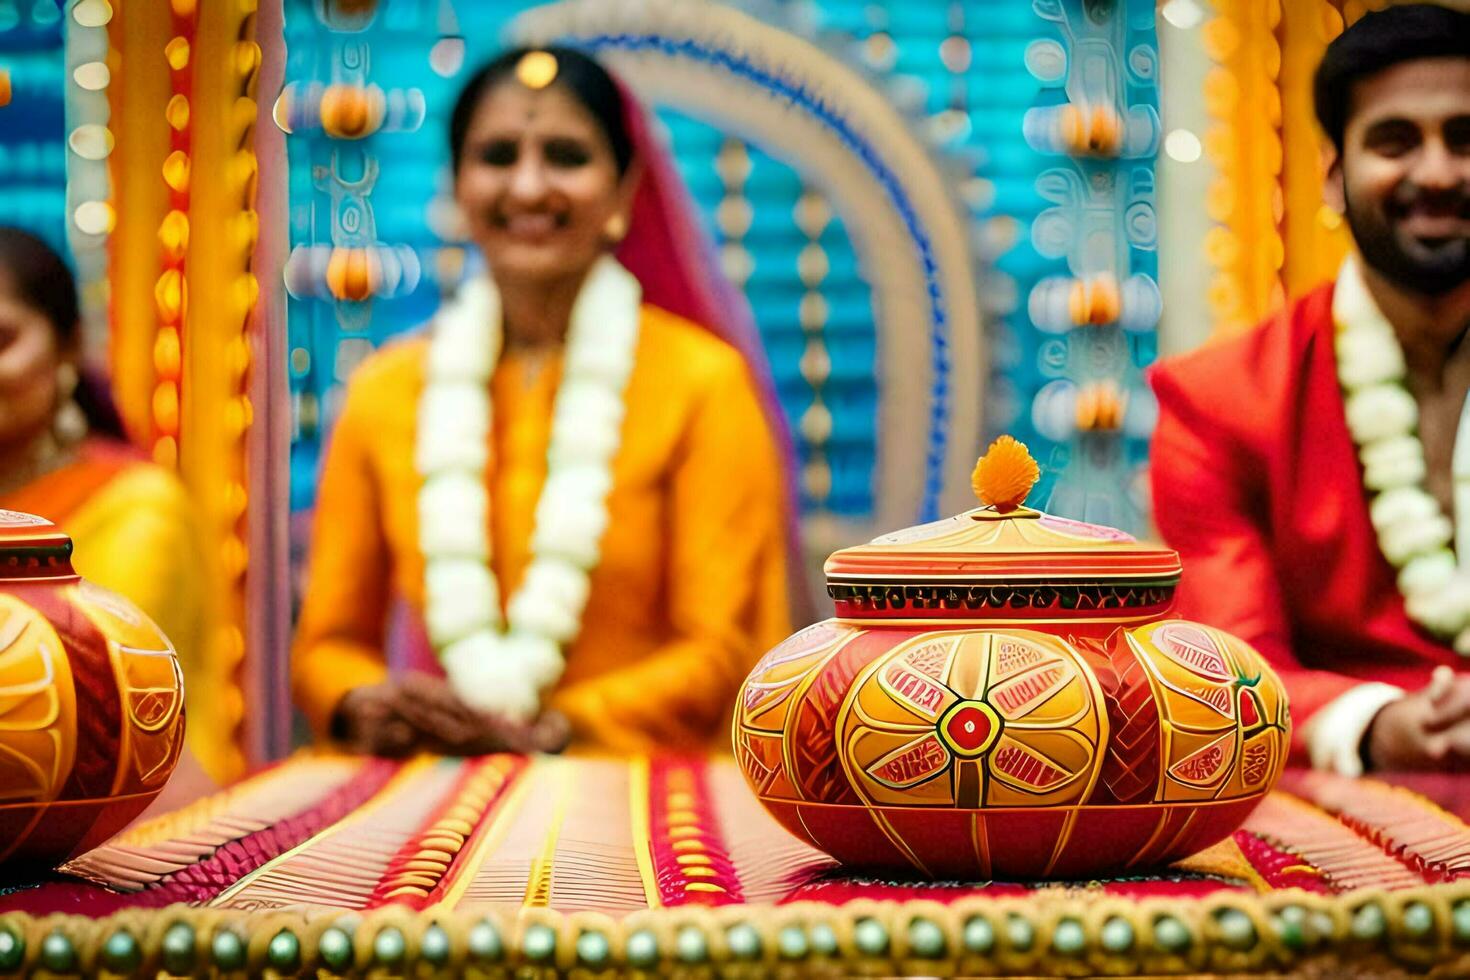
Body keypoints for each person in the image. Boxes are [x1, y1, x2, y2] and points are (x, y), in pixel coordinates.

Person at [292, 47, 795, 756]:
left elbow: (722, 649)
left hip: (639, 793)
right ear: (458, 188)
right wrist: (365, 702)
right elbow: (327, 646)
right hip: (436, 787)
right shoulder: (385, 391)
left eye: (565, 156)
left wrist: (556, 730)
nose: (528, 187)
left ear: (624, 193)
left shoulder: (702, 383)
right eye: (498, 156)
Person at [1149, 4, 1469, 776]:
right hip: (1355, 826)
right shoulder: (1219, 402)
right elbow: (1229, 676)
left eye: (1465, 139)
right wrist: (1383, 725)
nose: (1436, 173)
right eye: (1396, 141)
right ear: (1332, 176)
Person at [0, 226, 227, 788]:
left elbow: (91, 707)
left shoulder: (137, 509)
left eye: (2, 339)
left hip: (126, 828)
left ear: (69, 346)